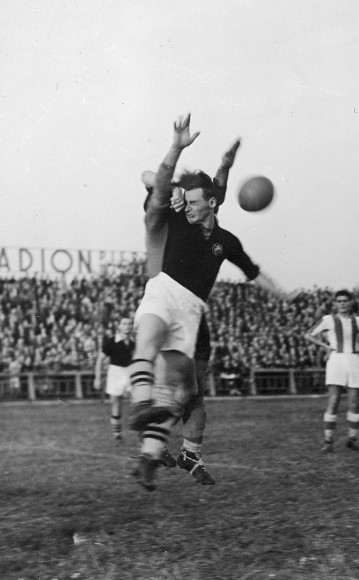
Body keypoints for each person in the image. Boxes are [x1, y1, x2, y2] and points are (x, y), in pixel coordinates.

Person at [128, 113, 296, 491]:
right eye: (182, 200)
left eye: (193, 200)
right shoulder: (176, 218)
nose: (185, 205)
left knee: (182, 392)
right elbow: (153, 181)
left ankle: (152, 455)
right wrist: (176, 149)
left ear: (211, 203)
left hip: (191, 311)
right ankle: (141, 409)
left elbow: (252, 270)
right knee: (150, 346)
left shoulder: (225, 238)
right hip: (163, 290)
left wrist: (283, 294)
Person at [138, 137, 242, 486]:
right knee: (178, 390)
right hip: (167, 305)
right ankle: (153, 445)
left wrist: (225, 164)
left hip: (194, 315)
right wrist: (164, 183)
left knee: (195, 393)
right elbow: (148, 176)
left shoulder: (201, 216)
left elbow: (217, 193)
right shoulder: (169, 216)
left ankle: (188, 453)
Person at [303, 290, 359, 452]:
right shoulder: (328, 319)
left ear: (350, 303)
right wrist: (326, 346)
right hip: (336, 359)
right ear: (335, 304)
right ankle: (328, 441)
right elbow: (308, 334)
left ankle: (352, 438)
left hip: (354, 359)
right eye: (339, 301)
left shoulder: (358, 320)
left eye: (345, 301)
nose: (342, 303)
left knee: (354, 401)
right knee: (334, 400)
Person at [93, 316, 135, 442]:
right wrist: (97, 378)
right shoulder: (112, 341)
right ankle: (117, 434)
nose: (127, 326)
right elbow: (100, 359)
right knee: (116, 403)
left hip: (130, 372)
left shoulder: (134, 343)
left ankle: (142, 432)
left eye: (129, 323)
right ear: (119, 326)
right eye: (124, 323)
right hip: (115, 372)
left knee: (137, 401)